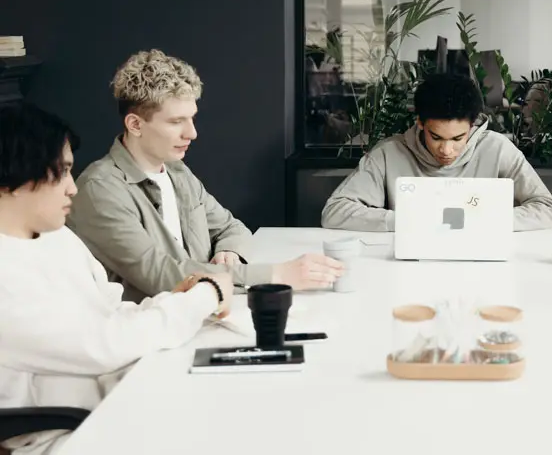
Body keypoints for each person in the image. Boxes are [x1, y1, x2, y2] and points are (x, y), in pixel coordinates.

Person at [0, 103, 233, 455]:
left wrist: (174, 299)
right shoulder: (7, 275)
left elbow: (111, 311)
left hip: (121, 398)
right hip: (72, 435)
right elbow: (105, 344)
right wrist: (204, 295)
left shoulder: (55, 237)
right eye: (60, 173)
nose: (72, 189)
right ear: (12, 181)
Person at [69, 50, 342, 301]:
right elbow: (162, 276)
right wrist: (276, 276)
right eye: (176, 122)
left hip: (199, 317)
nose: (192, 133)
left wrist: (229, 252)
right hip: (148, 339)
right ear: (135, 124)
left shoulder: (177, 172)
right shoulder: (100, 190)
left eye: (192, 118)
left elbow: (232, 228)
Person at [321, 72, 552, 231]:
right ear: (420, 123)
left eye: (458, 138)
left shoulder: (498, 149)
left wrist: (484, 221)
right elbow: (334, 211)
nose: (446, 150)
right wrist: (410, 222)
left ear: (473, 124)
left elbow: (548, 210)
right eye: (436, 137)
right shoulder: (389, 153)